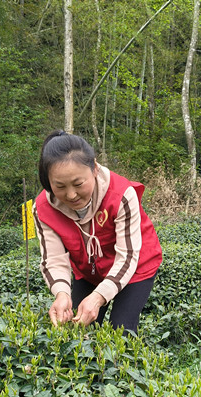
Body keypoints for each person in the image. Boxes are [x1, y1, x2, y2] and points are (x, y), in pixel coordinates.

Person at [33, 131, 162, 333]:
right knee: (78, 328)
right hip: (89, 270)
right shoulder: (43, 208)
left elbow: (127, 257)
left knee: (121, 329)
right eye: (59, 186)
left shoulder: (121, 195)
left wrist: (99, 296)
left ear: (94, 168)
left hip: (134, 265)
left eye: (78, 184)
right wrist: (61, 293)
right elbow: (54, 258)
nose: (71, 194)